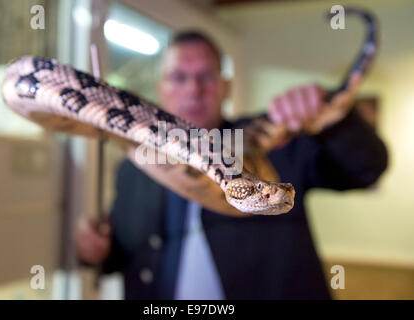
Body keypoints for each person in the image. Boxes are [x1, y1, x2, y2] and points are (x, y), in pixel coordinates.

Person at [75, 31, 388, 299]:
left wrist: (333, 119)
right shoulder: (135, 164)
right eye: (179, 77)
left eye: (205, 76)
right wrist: (95, 252)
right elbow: (122, 251)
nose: (194, 89)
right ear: (161, 89)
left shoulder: (274, 138)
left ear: (225, 86)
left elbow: (366, 168)